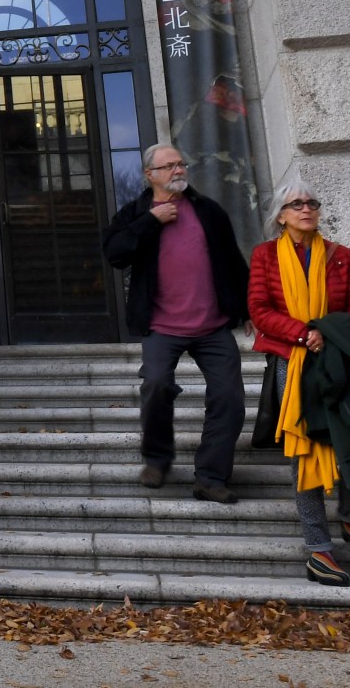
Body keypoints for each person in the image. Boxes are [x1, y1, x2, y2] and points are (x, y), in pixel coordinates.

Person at [248, 182, 350, 587]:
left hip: (340, 360)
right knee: (305, 453)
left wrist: (326, 331)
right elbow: (259, 309)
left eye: (311, 203)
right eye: (296, 204)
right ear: (281, 215)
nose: (306, 209)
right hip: (292, 361)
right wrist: (304, 334)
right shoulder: (265, 256)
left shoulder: (343, 258)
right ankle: (318, 550)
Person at [102, 143, 251, 503]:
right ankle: (157, 459)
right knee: (155, 385)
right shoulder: (134, 213)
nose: (178, 170)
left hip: (213, 325)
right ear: (149, 174)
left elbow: (233, 260)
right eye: (168, 166)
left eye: (181, 163)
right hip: (162, 325)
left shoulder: (209, 212)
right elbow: (115, 254)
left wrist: (248, 308)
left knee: (230, 397)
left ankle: (211, 476)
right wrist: (150, 222)